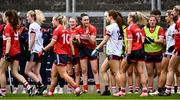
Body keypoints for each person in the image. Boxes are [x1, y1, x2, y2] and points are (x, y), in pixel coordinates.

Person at [40, 14, 81, 96]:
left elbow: (52, 43)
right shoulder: (66, 29)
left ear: (57, 21)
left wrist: (43, 50)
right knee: (53, 74)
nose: (52, 22)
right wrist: (72, 54)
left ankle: (76, 88)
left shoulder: (57, 30)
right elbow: (70, 43)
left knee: (63, 75)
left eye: (53, 20)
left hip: (60, 54)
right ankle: (51, 92)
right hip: (61, 54)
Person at [114, 11, 148, 97]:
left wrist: (128, 54)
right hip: (140, 51)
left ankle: (122, 91)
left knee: (122, 70)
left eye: (128, 17)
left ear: (131, 18)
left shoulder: (129, 28)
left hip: (133, 51)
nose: (127, 18)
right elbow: (142, 41)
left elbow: (129, 42)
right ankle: (144, 91)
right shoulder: (138, 27)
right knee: (141, 72)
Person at [0, 10, 32, 97]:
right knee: (15, 72)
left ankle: (2, 91)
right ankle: (28, 86)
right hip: (17, 52)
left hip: (9, 52)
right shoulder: (15, 27)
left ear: (7, 17)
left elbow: (9, 41)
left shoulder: (8, 26)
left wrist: (6, 53)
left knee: (1, 71)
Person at [91, 10, 124, 95]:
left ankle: (121, 91)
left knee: (116, 72)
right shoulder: (117, 26)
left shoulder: (111, 27)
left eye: (107, 16)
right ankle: (107, 90)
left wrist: (97, 49)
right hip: (115, 52)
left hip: (113, 52)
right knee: (103, 69)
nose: (106, 18)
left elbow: (105, 40)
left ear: (111, 17)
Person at [76, 13, 100, 93]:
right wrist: (76, 40)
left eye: (88, 19)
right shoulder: (78, 29)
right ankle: (85, 89)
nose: (87, 21)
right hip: (82, 49)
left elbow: (93, 42)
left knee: (95, 70)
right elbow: (78, 43)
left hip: (91, 49)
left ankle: (98, 89)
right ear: (81, 21)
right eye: (85, 20)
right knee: (84, 71)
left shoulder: (92, 28)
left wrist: (88, 36)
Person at [25, 10, 47, 95]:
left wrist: (29, 50)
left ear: (32, 17)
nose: (27, 18)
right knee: (36, 72)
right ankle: (40, 91)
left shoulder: (33, 25)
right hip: (40, 50)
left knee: (27, 71)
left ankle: (40, 85)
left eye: (28, 16)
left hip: (34, 51)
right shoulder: (37, 25)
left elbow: (33, 39)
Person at [142, 15, 165, 94]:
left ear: (156, 21)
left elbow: (161, 40)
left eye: (153, 20)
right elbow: (142, 39)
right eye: (150, 20)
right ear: (148, 21)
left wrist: (153, 40)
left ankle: (159, 89)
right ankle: (150, 90)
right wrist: (144, 40)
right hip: (148, 53)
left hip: (158, 52)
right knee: (150, 73)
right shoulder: (144, 29)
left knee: (159, 72)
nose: (152, 22)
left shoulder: (160, 29)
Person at [163, 5, 180, 96]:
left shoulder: (178, 23)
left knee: (170, 68)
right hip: (176, 49)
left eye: (173, 11)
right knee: (175, 69)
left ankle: (168, 90)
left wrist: (175, 48)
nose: (172, 12)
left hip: (178, 49)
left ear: (177, 12)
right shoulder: (177, 23)